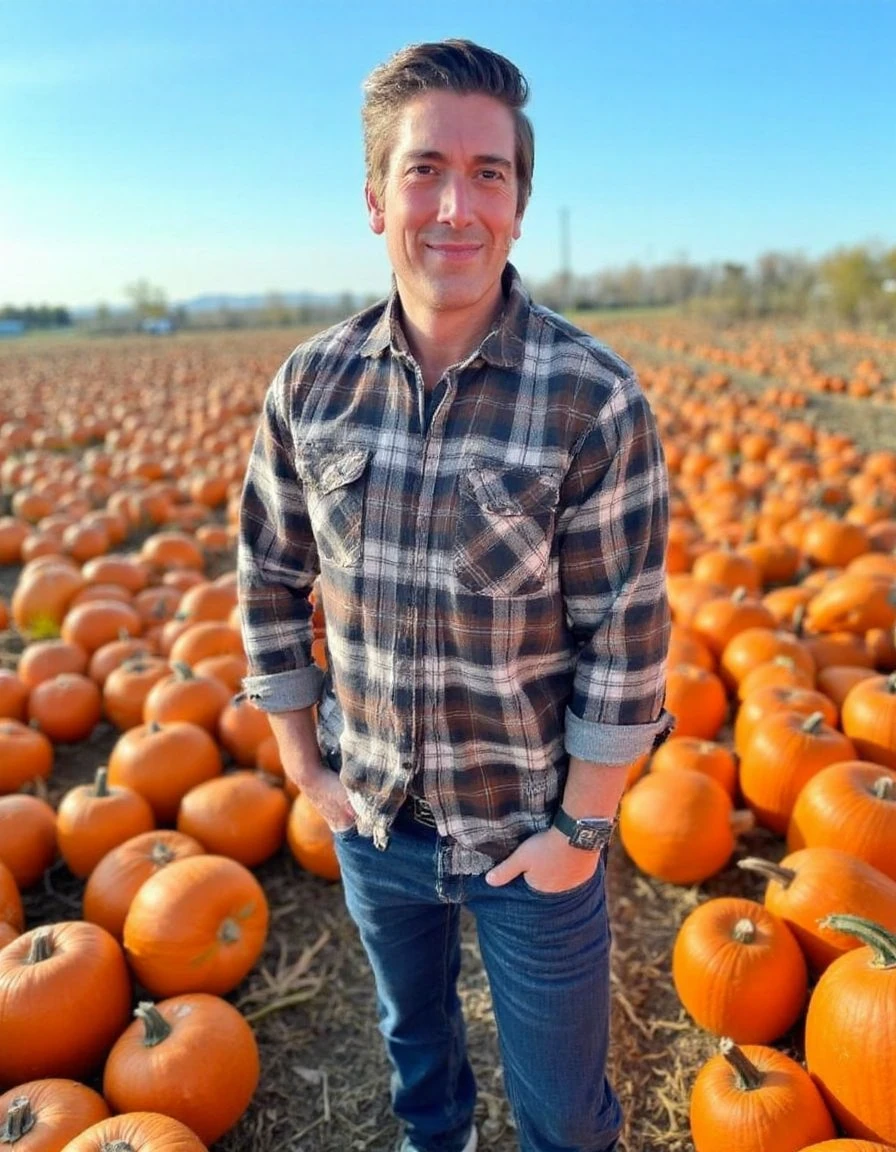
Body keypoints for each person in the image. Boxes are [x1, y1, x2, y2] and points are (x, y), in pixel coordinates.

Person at [238, 38, 672, 1152]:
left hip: (531, 836)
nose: (455, 205)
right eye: (424, 167)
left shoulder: (592, 397)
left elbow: (623, 634)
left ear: (520, 206)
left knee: (565, 1117)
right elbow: (271, 576)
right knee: (415, 1060)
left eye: (489, 174)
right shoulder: (309, 387)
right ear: (374, 197)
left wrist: (582, 825)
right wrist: (302, 764)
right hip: (373, 821)